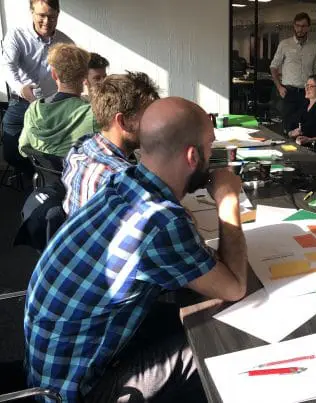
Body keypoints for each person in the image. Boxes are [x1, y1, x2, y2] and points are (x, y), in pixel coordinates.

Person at [24, 97, 249, 402]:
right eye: (210, 147)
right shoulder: (159, 222)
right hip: (79, 391)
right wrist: (227, 199)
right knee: (217, 343)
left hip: (52, 367)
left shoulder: (122, 181)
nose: (213, 155)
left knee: (186, 313)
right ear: (193, 156)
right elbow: (234, 288)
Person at [61, 71, 159, 216]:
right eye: (149, 118)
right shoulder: (120, 178)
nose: (155, 126)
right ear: (122, 121)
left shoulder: (82, 148)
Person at [1, 0, 72, 178]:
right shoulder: (17, 35)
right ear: (32, 12)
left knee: (50, 154)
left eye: (52, 17)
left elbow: (75, 69)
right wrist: (21, 88)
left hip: (50, 107)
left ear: (58, 15)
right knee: (11, 153)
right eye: (42, 15)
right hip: (20, 103)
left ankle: (45, 181)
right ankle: (36, 177)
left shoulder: (65, 42)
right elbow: (7, 65)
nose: (47, 22)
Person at [19, 43, 96, 158]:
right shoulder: (93, 114)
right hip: (78, 169)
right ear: (85, 76)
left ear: (54, 74)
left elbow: (24, 149)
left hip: (45, 169)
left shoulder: (33, 110)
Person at [270, 12, 316, 133]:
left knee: (305, 128)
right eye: (297, 25)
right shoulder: (285, 44)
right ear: (294, 26)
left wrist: (315, 93)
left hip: (307, 93)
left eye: (303, 26)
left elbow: (315, 72)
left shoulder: (314, 47)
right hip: (289, 92)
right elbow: (273, 67)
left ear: (308, 27)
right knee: (288, 128)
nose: (300, 29)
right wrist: (279, 87)